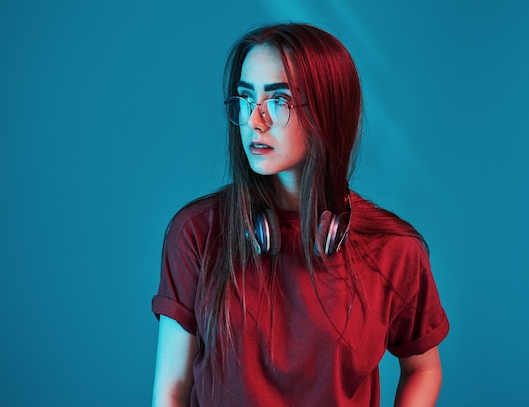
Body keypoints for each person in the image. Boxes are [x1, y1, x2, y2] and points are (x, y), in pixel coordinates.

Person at [151, 23, 449, 407]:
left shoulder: (394, 249)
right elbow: (170, 390)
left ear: (327, 112)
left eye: (279, 101)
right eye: (245, 99)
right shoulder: (195, 233)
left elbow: (423, 368)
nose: (254, 120)